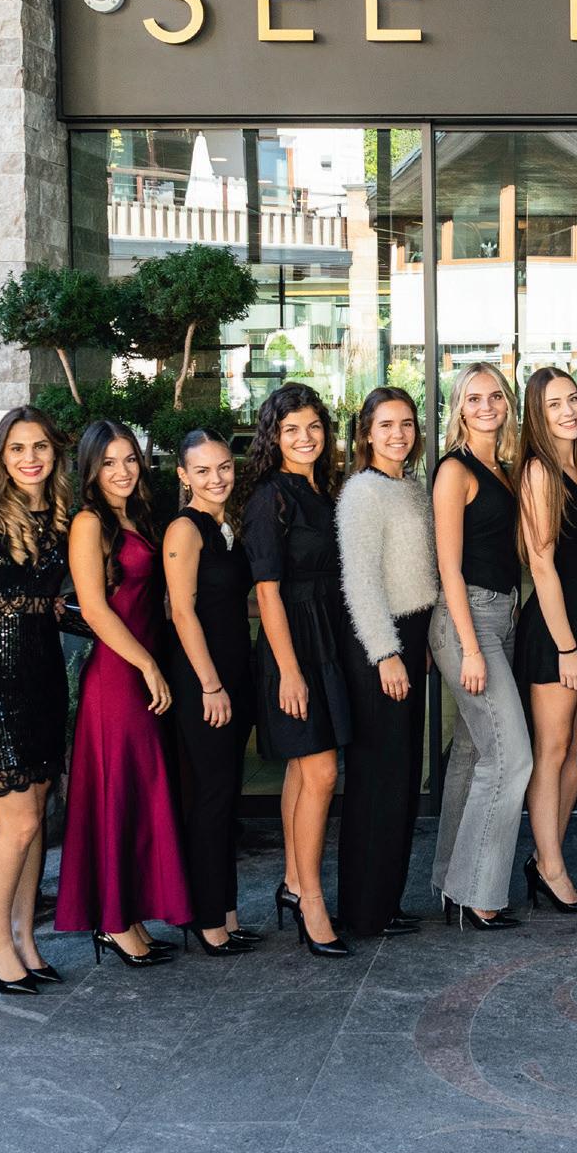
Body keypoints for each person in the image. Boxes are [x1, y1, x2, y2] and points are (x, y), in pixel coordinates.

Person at [56, 420, 192, 966]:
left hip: (144, 666)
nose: (122, 471)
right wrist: (147, 665)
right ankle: (113, 922)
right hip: (117, 675)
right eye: (109, 462)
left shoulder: (137, 516)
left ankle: (127, 914)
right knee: (118, 794)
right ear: (91, 469)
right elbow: (93, 609)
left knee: (138, 793)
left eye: (130, 459)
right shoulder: (89, 522)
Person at [0, 406, 78, 994]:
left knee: (37, 816)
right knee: (19, 820)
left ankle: (26, 939)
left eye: (40, 447)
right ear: (1, 456)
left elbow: (69, 597)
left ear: (55, 454)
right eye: (18, 448)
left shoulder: (65, 518)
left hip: (45, 676)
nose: (30, 458)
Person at [244, 383, 353, 958]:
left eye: (313, 427)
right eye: (291, 430)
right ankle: (311, 900)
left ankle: (292, 881)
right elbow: (267, 593)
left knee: (302, 770)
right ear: (274, 437)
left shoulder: (324, 491)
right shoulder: (271, 498)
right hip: (293, 642)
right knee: (323, 773)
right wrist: (289, 671)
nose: (305, 438)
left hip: (328, 634)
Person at [428, 362, 530, 930]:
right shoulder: (454, 470)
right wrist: (469, 647)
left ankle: (450, 882)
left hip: (502, 616)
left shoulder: (503, 469)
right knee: (511, 757)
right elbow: (448, 565)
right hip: (468, 620)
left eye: (495, 396)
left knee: (471, 757)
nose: (486, 406)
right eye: (473, 398)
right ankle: (480, 893)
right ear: (459, 408)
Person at [336, 388, 438, 938]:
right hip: (380, 642)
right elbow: (360, 582)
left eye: (406, 424)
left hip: (412, 636)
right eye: (386, 425)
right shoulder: (361, 492)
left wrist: (422, 642)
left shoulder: (412, 487)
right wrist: (386, 653)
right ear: (366, 434)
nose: (398, 434)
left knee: (399, 777)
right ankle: (363, 911)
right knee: (377, 777)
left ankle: (385, 903)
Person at [162, 428, 259, 956]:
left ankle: (226, 911)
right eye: (202, 471)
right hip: (205, 681)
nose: (216, 478)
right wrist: (210, 685)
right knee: (211, 796)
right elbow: (182, 612)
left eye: (223, 467)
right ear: (183, 476)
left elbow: (233, 602)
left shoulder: (228, 526)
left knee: (226, 796)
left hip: (234, 673)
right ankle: (207, 919)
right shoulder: (186, 528)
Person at [513, 367, 577, 914]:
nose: (568, 411)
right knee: (551, 751)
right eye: (554, 405)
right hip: (556, 631)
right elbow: (543, 566)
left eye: (573, 399)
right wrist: (567, 646)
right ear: (537, 414)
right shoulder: (539, 472)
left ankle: (545, 856)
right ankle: (551, 868)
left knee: (576, 752)